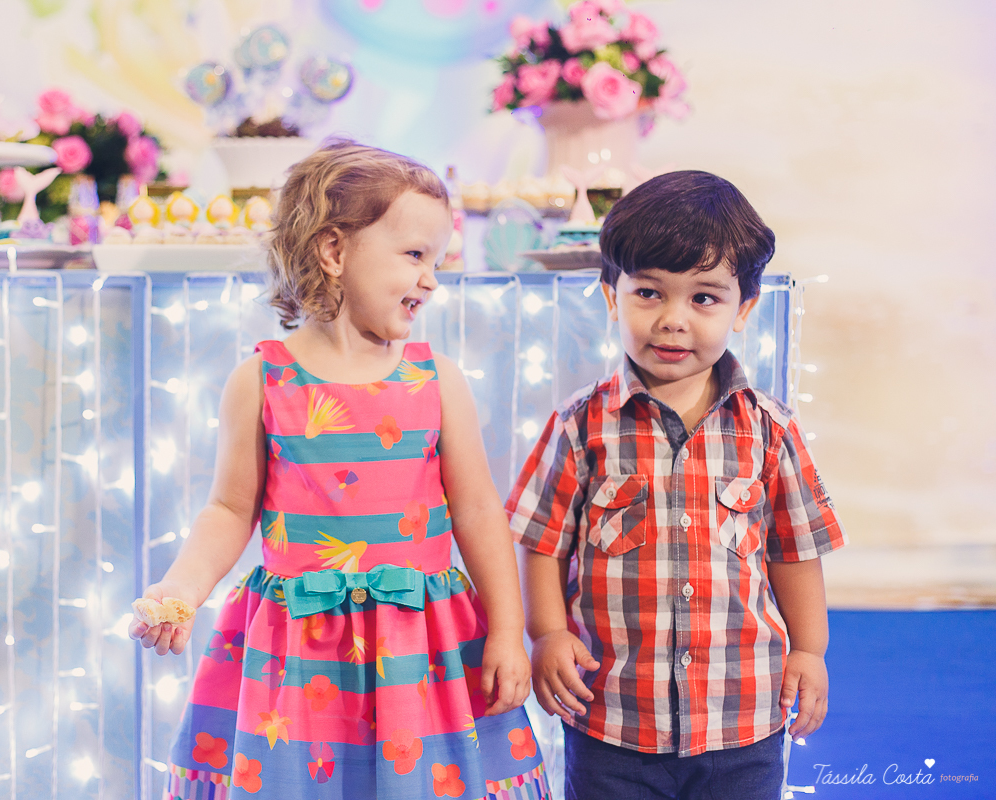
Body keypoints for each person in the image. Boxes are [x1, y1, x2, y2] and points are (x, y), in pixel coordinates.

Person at [131, 139, 549, 800]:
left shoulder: (437, 381)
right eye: (415, 255)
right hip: (298, 655)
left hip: (420, 649)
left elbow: (476, 511)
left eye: (437, 260)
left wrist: (506, 631)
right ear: (333, 250)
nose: (431, 280)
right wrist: (181, 586)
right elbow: (230, 510)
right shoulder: (261, 380)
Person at [506, 171, 847, 800]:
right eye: (648, 293)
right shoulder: (581, 425)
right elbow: (542, 543)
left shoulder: (769, 430)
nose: (672, 320)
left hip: (741, 716)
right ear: (611, 296)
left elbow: (795, 551)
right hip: (613, 717)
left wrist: (810, 650)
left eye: (704, 298)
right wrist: (548, 633)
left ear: (745, 308)